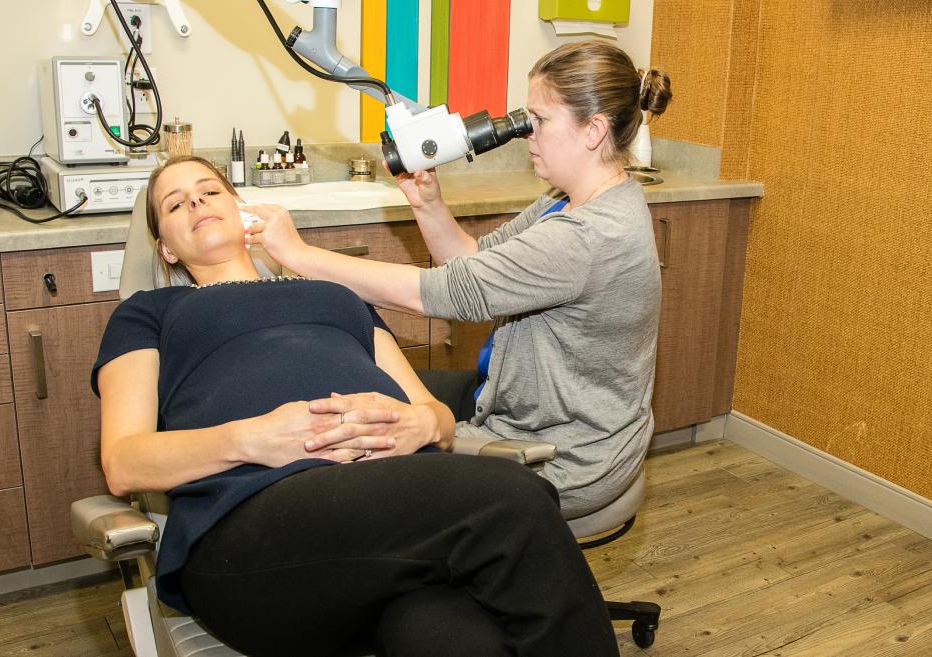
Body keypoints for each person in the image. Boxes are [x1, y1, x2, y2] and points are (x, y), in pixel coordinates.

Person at [92, 155, 621, 657]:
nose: (198, 204)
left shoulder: (335, 294)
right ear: (165, 248)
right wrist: (252, 438)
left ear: (241, 207)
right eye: (176, 203)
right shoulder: (150, 313)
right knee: (513, 499)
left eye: (210, 191)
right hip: (254, 534)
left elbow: (433, 414)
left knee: (447, 636)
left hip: (385, 522)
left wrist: (421, 423)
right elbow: (124, 462)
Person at [246, 40, 673, 521]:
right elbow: (472, 260)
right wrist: (427, 202)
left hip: (560, 457)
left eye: (540, 120)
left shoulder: (589, 235)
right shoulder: (572, 200)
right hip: (533, 416)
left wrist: (298, 253)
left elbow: (439, 294)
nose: (526, 133)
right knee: (378, 396)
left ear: (593, 130)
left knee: (366, 480)